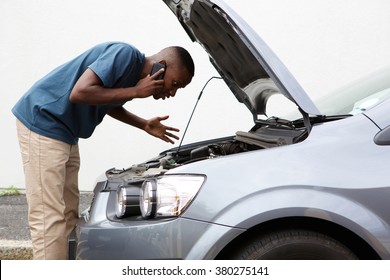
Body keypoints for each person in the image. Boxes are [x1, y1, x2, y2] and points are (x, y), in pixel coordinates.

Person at [12, 41, 195, 259]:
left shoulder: (132, 75)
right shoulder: (125, 54)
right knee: (48, 216)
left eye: (178, 88)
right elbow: (80, 92)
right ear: (161, 66)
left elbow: (107, 102)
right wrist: (135, 91)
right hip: (43, 121)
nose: (172, 92)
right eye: (174, 83)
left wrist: (143, 124)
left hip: (65, 132)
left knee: (69, 213)